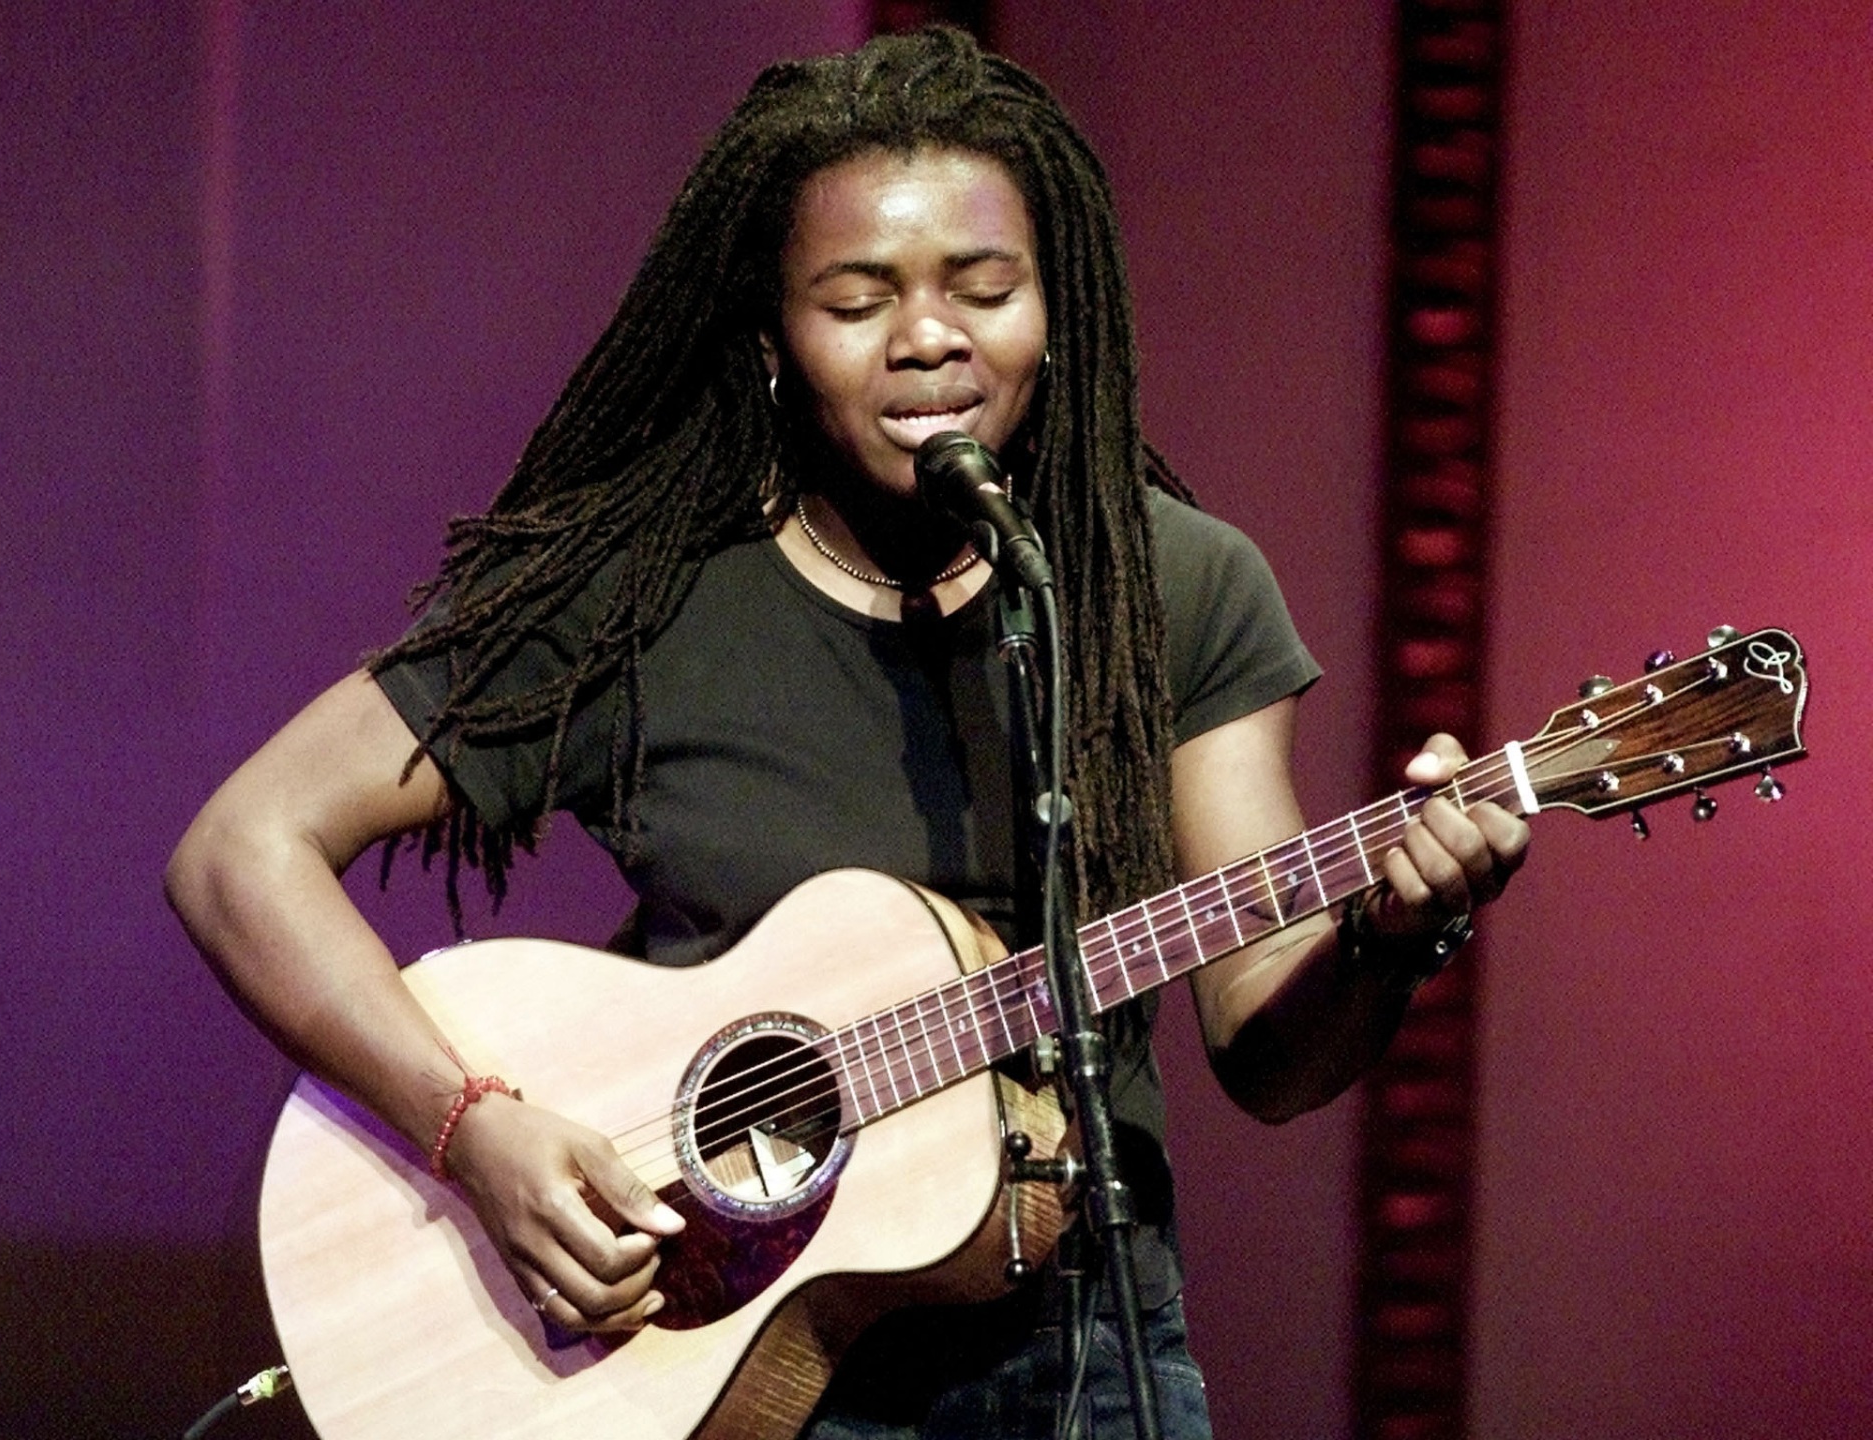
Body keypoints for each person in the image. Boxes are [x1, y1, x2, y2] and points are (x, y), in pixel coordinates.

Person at [167, 26, 1527, 1440]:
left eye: (984, 289)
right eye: (858, 300)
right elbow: (239, 852)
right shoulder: (644, 591)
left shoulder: (1175, 587)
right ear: (774, 343)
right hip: (706, 1358)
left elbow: (1270, 1054)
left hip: (1086, 1356)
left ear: (1054, 312)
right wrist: (478, 1133)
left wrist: (1391, 935)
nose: (930, 337)